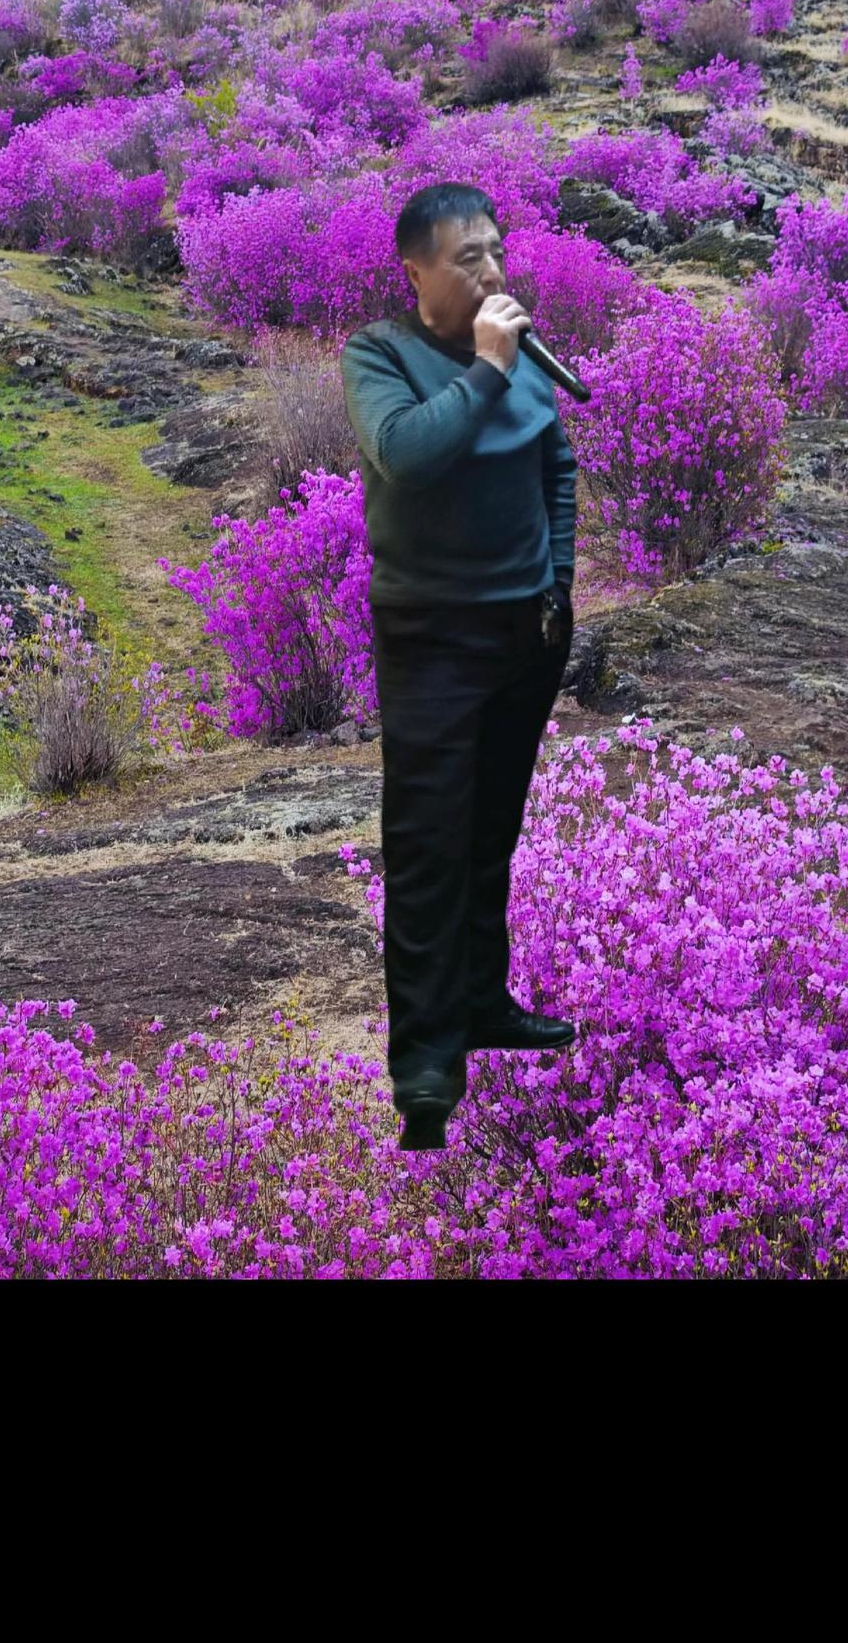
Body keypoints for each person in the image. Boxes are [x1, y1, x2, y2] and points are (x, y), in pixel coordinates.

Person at [340, 182, 578, 1152]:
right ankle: (425, 1068)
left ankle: (482, 1006)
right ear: (414, 269)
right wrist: (484, 369)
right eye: (466, 257)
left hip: (525, 634)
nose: (490, 272)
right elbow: (407, 454)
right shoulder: (378, 356)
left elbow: (553, 462)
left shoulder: (517, 350)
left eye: (495, 252)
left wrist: (557, 585)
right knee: (429, 847)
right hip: (431, 638)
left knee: (488, 834)